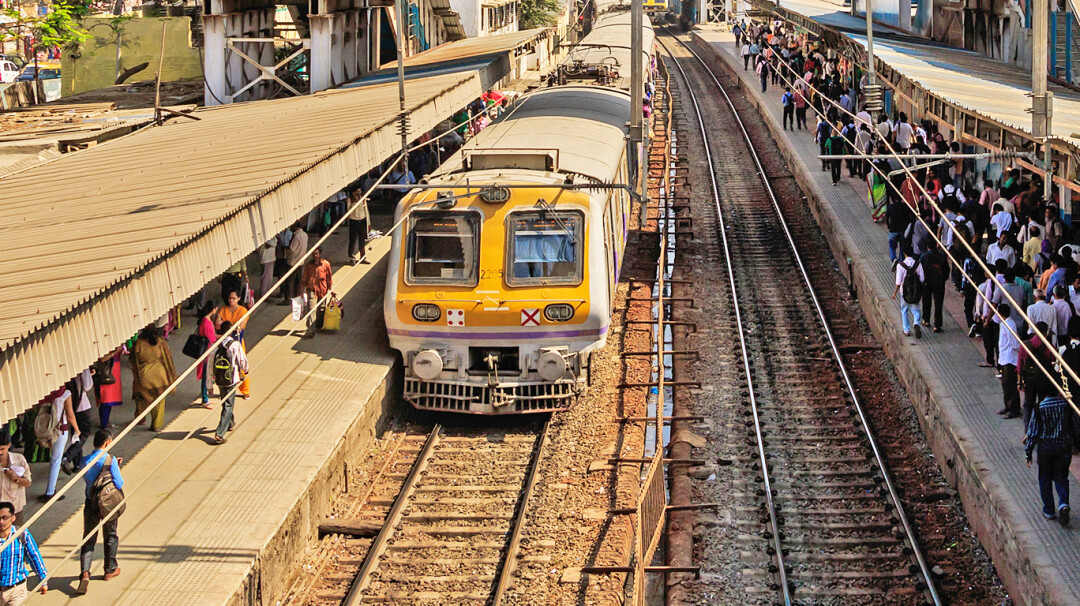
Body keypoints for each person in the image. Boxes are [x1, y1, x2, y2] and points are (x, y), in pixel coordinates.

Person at [1026, 329, 1080, 525]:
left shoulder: (1040, 408)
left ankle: (1049, 510)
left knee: (1044, 478)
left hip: (1046, 447)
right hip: (1063, 445)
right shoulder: (1065, 405)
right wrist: (1075, 442)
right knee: (1061, 476)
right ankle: (1063, 502)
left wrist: (1028, 451)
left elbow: (1032, 431)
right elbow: (1074, 425)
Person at [77, 430, 123, 594]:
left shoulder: (85, 461)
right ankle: (110, 569)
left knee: (88, 536)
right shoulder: (110, 460)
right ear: (107, 443)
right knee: (110, 534)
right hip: (107, 502)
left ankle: (85, 572)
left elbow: (88, 478)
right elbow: (119, 482)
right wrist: (115, 467)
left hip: (91, 501)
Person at [130, 325, 176, 432]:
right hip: (160, 374)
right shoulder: (159, 341)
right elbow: (167, 357)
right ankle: (156, 425)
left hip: (144, 375)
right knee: (159, 400)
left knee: (141, 397)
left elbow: (132, 359)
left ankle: (141, 418)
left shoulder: (138, 343)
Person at [0, 501, 47, 601]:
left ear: (13, 518)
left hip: (17, 589)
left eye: (5, 518)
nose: (1, 522)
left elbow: (34, 555)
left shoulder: (21, 534)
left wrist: (43, 579)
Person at [212, 323, 248, 446]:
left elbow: (211, 361)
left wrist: (209, 383)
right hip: (231, 379)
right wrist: (245, 370)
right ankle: (219, 433)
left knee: (226, 402)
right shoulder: (235, 345)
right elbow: (242, 359)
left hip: (219, 379)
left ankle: (230, 423)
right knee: (228, 405)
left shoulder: (217, 345)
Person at [41, 385, 79, 503]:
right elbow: (70, 415)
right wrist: (77, 429)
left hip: (46, 428)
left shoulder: (46, 391)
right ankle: (50, 492)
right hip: (60, 430)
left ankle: (50, 490)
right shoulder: (65, 393)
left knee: (54, 459)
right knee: (56, 461)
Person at [1018, 321, 1056, 426]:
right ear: (1045, 332)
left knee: (1028, 405)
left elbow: (1019, 365)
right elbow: (1053, 365)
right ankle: (1041, 428)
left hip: (1029, 379)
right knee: (1042, 404)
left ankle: (1028, 429)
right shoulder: (1050, 347)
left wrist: (1019, 382)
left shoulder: (1026, 345)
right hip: (1043, 380)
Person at [216, 290, 250, 399]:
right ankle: (225, 389)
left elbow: (241, 326)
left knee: (240, 363)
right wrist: (231, 326)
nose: (231, 300)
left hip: (237, 340)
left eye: (234, 298)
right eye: (230, 298)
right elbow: (217, 324)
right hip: (224, 341)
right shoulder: (223, 310)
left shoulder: (243, 310)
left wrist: (225, 325)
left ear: (239, 299)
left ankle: (245, 391)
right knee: (224, 364)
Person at [995, 303, 1022, 418]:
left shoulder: (1010, 325)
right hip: (1004, 358)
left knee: (1010, 385)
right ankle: (1007, 406)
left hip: (1010, 359)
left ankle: (1014, 409)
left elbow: (1015, 343)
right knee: (1005, 385)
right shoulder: (1004, 324)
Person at [891, 247, 924, 338]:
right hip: (915, 291)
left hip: (904, 292)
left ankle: (906, 330)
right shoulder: (918, 264)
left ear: (904, 254)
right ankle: (916, 322)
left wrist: (894, 293)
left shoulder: (900, 265)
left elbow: (898, 282)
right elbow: (922, 279)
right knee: (916, 309)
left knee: (904, 310)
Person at [301, 247, 334, 336]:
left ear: (320, 254)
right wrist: (301, 290)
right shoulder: (309, 265)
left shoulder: (326, 264)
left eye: (316, 254)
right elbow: (304, 278)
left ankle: (319, 326)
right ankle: (310, 330)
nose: (314, 256)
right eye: (313, 254)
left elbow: (329, 277)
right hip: (311, 289)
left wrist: (331, 289)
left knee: (322, 309)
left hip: (322, 290)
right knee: (311, 309)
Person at [0, 434, 30, 526]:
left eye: (2, 449)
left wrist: (16, 478)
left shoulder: (19, 459)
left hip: (15, 506)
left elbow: (27, 482)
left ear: (8, 446)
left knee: (16, 533)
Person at [919, 240, 949, 333]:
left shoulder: (924, 257)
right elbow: (947, 270)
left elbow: (921, 270)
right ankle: (937, 325)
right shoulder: (942, 256)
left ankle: (926, 320)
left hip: (927, 283)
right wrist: (943, 280)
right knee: (938, 304)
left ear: (928, 247)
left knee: (926, 301)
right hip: (939, 283)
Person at [94, 349, 123, 429]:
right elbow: (101, 359)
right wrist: (115, 352)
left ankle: (106, 421)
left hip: (113, 373)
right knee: (105, 400)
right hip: (105, 375)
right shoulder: (103, 345)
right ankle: (104, 425)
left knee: (110, 402)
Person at [195, 304, 217, 407]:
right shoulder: (207, 322)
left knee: (206, 374)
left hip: (207, 350)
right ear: (213, 309)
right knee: (205, 374)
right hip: (207, 352)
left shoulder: (206, 320)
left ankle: (205, 398)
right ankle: (204, 399)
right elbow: (211, 338)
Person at [284, 223, 309, 304]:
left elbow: (292, 248)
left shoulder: (296, 236)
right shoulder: (305, 235)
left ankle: (288, 298)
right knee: (298, 280)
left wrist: (285, 248)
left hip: (292, 261)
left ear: (295, 226)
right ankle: (297, 296)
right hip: (301, 261)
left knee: (290, 281)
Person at [348, 189, 370, 265]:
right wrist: (354, 202)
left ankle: (363, 257)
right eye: (356, 192)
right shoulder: (350, 200)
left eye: (359, 192)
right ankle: (351, 257)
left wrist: (368, 223)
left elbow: (366, 211)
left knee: (362, 240)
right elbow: (349, 211)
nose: (358, 193)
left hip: (362, 221)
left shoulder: (363, 199)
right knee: (352, 240)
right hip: (354, 221)